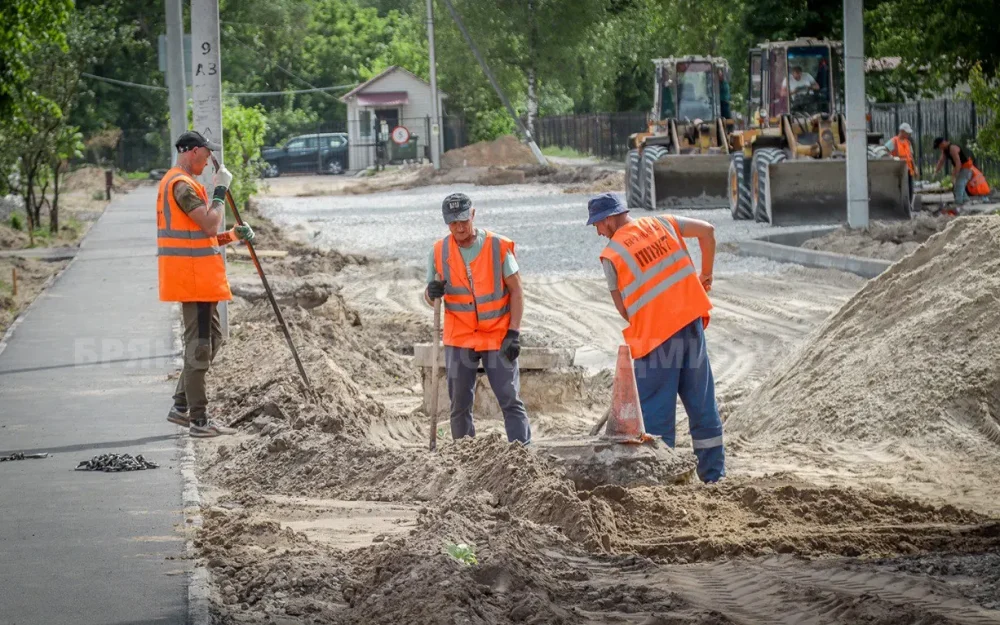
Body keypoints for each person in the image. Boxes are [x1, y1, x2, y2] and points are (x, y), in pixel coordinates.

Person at [588, 192, 724, 483]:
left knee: (657, 415)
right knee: (702, 405)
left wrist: (653, 314)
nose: (598, 231)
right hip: (691, 327)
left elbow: (625, 308)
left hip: (656, 340)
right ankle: (714, 478)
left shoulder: (612, 254)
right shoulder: (663, 222)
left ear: (610, 219)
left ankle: (665, 483)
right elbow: (708, 232)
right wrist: (706, 276)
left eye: (598, 224)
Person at [158, 131, 256, 437]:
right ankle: (199, 420)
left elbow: (206, 234)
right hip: (194, 280)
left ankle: (180, 404)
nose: (209, 160)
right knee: (199, 348)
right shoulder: (181, 185)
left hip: (200, 278)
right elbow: (211, 222)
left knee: (213, 339)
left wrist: (233, 236)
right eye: (206, 153)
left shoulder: (185, 183)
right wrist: (220, 190)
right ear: (193, 151)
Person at [424, 193, 531, 444]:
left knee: (510, 398)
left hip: (497, 335)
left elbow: (516, 290)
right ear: (446, 223)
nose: (460, 227)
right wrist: (432, 292)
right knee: (459, 403)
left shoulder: (498, 246)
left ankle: (523, 454)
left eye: (463, 220)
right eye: (453, 223)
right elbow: (431, 298)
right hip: (459, 337)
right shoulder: (439, 251)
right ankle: (465, 456)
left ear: (473, 215)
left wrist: (514, 333)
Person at [933, 137, 991, 205]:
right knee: (959, 186)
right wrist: (936, 171)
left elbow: (958, 163)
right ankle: (965, 201)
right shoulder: (945, 150)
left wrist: (954, 175)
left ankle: (958, 203)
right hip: (960, 168)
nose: (939, 148)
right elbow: (941, 161)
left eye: (939, 146)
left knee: (959, 185)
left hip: (966, 168)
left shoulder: (953, 148)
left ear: (943, 143)